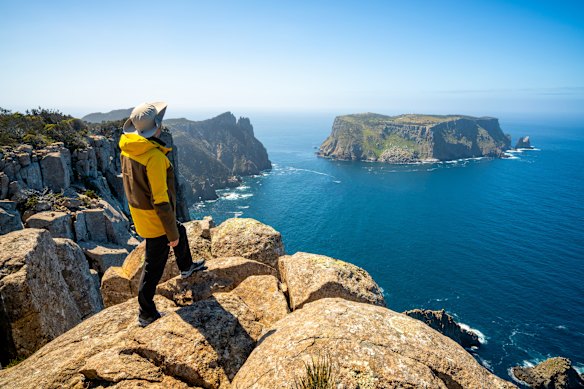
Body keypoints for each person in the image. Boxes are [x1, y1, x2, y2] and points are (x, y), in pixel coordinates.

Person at [119, 102, 205, 327]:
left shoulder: (129, 149)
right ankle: (145, 312)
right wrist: (170, 233)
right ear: (156, 125)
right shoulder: (154, 158)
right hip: (155, 218)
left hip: (139, 212)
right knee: (153, 266)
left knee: (182, 230)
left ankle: (186, 267)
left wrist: (175, 230)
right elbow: (161, 200)